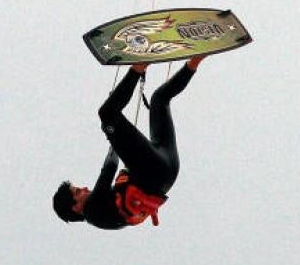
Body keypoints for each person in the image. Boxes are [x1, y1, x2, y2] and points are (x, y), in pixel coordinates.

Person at [53, 55, 205, 229]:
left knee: (159, 99)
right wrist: (111, 134)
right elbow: (109, 168)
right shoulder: (92, 211)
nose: (85, 188)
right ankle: (144, 60)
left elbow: (116, 162)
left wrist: (114, 135)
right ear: (76, 207)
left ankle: (197, 59)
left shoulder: (105, 214)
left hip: (167, 171)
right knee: (107, 113)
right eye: (78, 192)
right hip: (153, 173)